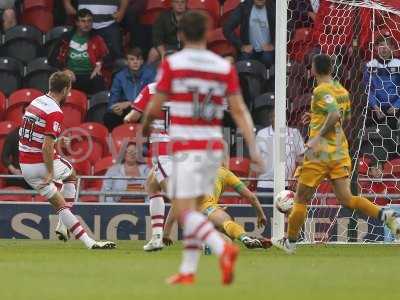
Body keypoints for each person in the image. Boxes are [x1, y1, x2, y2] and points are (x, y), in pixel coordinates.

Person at [142, 10, 264, 285]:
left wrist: (145, 127)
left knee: (181, 208)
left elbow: (155, 105)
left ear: (180, 34)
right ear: (208, 33)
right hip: (211, 150)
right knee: (192, 208)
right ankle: (188, 270)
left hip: (183, 148)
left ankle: (223, 249)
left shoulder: (173, 64)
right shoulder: (223, 67)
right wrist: (253, 150)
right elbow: (239, 110)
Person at [272, 54, 400, 254]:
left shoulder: (321, 89)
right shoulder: (341, 90)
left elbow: (334, 114)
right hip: (339, 153)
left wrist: (315, 138)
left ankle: (290, 242)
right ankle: (386, 216)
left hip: (319, 154)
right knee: (348, 199)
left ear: (314, 69)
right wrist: (315, 116)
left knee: (300, 199)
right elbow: (345, 117)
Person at [19, 71, 115, 250]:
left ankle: (85, 239)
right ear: (66, 89)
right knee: (71, 175)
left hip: (25, 165)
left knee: (60, 205)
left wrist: (57, 142)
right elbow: (46, 147)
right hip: (40, 163)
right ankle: (74, 232)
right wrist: (49, 171)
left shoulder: (36, 102)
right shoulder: (54, 111)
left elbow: (35, 136)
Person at [163, 164, 270, 249]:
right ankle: (244, 237)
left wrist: (166, 233)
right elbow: (251, 197)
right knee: (226, 223)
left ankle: (202, 241)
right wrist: (261, 214)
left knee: (227, 240)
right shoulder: (225, 173)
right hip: (208, 207)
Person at [124, 82, 172, 251]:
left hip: (164, 150)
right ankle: (157, 237)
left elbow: (133, 116)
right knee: (152, 186)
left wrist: (126, 117)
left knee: (178, 197)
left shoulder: (153, 88)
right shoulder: (188, 89)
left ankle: (206, 236)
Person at [48, 9, 108, 95]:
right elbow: (52, 58)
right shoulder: (66, 37)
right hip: (71, 75)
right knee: (63, 79)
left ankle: (98, 107)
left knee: (99, 79)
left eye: (89, 21)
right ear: (76, 23)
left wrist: (99, 65)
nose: (86, 24)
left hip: (91, 74)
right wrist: (64, 70)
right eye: (83, 21)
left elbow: (108, 56)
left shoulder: (97, 37)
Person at [256, 108, 305, 203]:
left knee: (287, 216)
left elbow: (302, 160)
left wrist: (296, 178)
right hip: (265, 185)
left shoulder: (294, 133)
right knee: (266, 215)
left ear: (286, 118)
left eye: (281, 115)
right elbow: (255, 159)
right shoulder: (262, 134)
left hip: (288, 184)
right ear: (271, 118)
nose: (279, 118)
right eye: (275, 116)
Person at [363, 36, 400, 159]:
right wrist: (374, 106)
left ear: (393, 48)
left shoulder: (398, 65)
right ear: (375, 48)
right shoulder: (370, 65)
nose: (383, 48)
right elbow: (368, 89)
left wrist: (397, 106)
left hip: (396, 109)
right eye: (380, 45)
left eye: (387, 45)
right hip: (376, 109)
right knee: (372, 132)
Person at [103, 47, 156, 131]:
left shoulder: (150, 75)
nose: (135, 62)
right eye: (132, 59)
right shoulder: (119, 77)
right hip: (124, 110)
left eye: (138, 59)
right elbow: (111, 102)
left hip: (143, 110)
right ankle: (116, 140)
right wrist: (114, 109)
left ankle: (145, 141)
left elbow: (152, 99)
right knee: (109, 117)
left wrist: (130, 103)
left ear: (142, 61)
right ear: (127, 62)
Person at [63, 0, 128, 59]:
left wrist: (122, 11)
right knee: (79, 54)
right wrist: (67, 4)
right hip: (84, 24)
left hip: (109, 23)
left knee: (117, 56)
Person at [223, 0, 276, 67]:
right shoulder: (244, 7)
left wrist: (274, 45)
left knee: (268, 59)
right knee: (243, 63)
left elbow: (286, 27)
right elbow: (227, 28)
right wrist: (241, 46)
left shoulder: (275, 7)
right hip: (249, 49)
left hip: (267, 51)